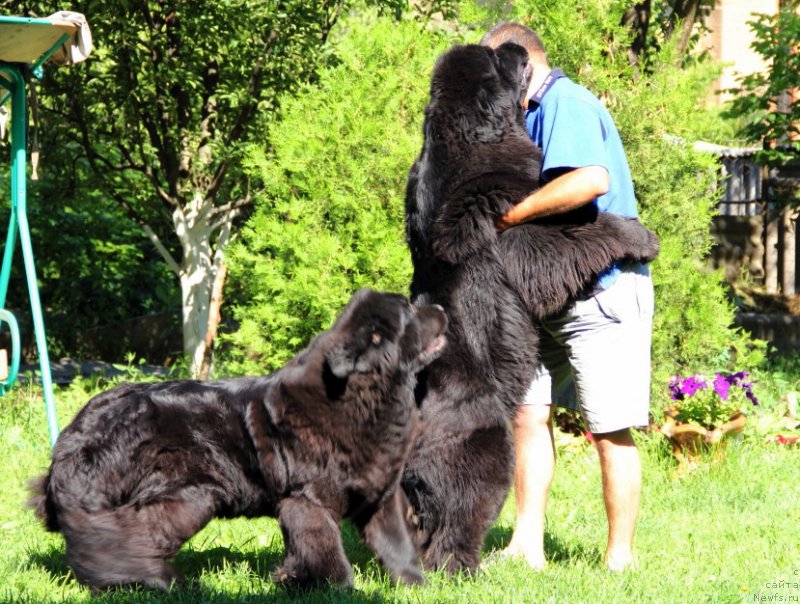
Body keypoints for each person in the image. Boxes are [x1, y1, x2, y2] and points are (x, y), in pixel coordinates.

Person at [480, 22, 654, 571]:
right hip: (544, 296)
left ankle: (618, 560)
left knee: (609, 427)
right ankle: (525, 544)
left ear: (522, 64)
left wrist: (508, 217)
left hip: (601, 291)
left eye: (495, 71)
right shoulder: (524, 116)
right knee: (528, 418)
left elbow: (589, 181)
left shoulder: (566, 102)